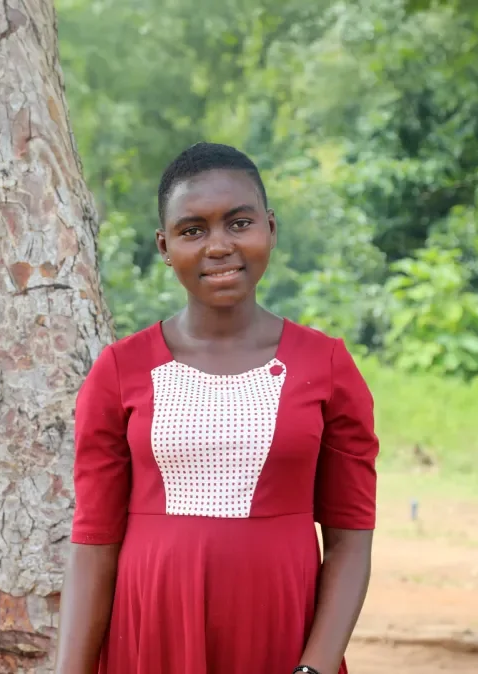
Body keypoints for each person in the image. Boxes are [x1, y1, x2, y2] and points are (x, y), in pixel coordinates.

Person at [55, 142, 379, 674]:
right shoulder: (119, 371)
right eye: (193, 230)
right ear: (164, 245)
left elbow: (349, 542)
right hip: (151, 639)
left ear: (270, 228)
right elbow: (94, 545)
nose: (219, 246)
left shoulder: (328, 367)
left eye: (239, 223)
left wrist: (313, 669)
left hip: (280, 640)